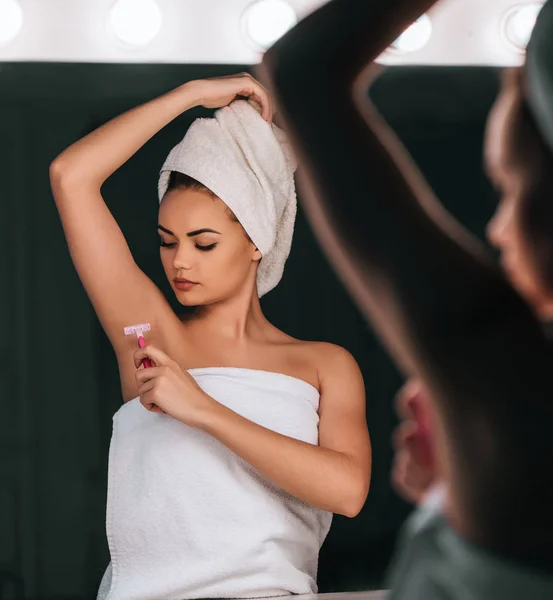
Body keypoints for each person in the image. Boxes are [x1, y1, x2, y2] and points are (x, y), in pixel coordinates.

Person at [259, 0, 553, 597]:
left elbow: (304, 73)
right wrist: (453, 494)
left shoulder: (514, 375)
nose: (496, 228)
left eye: (508, 185)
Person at [49, 74, 371, 599]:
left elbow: (348, 490)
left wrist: (201, 408)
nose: (180, 262)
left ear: (256, 242)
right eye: (167, 241)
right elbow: (70, 176)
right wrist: (189, 96)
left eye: (204, 243)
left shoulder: (323, 365)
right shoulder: (152, 338)